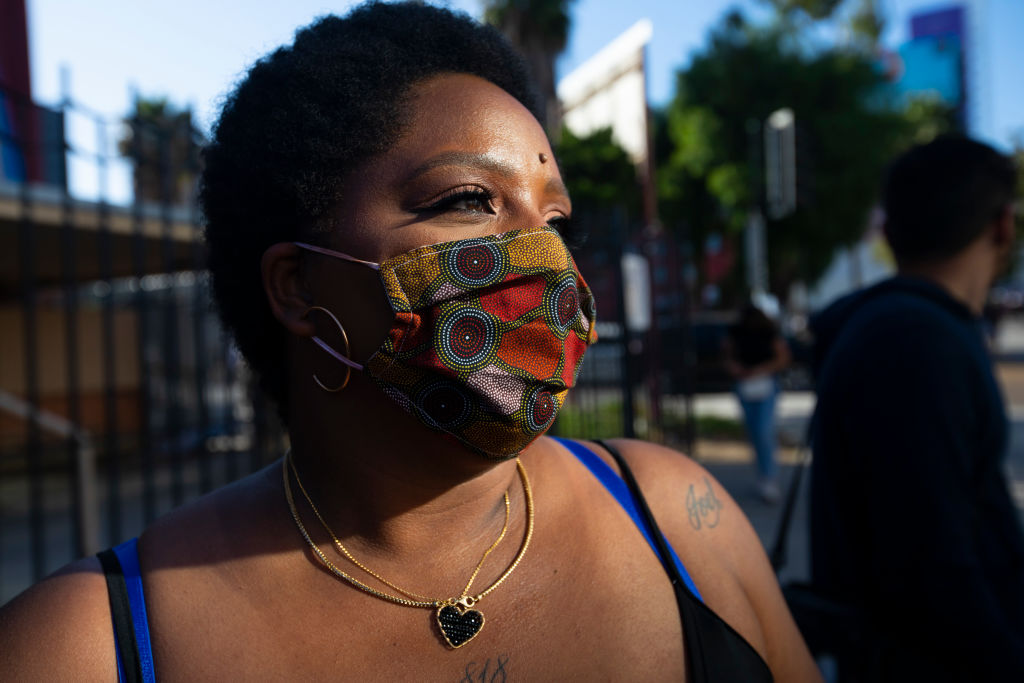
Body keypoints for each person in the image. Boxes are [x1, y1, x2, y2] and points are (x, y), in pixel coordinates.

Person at [0, 3, 819, 680]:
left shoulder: (678, 517)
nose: (545, 259)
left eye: (555, 220)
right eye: (469, 198)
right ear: (297, 284)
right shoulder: (80, 647)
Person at [809, 136, 1024, 681]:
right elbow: (932, 569)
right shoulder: (916, 341)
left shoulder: (905, 329)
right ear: (1003, 226)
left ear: (887, 233)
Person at [723, 302, 792, 503]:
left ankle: (769, 478)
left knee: (763, 431)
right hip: (745, 386)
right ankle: (764, 476)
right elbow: (726, 355)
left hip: (765, 385)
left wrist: (758, 370)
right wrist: (735, 368)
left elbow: (783, 358)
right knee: (754, 432)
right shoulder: (736, 332)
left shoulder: (769, 333)